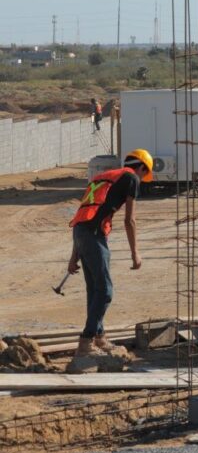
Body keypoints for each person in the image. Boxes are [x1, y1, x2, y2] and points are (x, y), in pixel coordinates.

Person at [67, 149, 152, 357]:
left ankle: (99, 336)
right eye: (145, 173)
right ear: (141, 167)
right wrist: (135, 253)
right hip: (92, 236)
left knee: (94, 289)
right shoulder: (131, 178)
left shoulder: (103, 177)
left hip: (82, 233)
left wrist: (73, 257)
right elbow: (129, 220)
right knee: (105, 291)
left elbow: (84, 215)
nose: (142, 178)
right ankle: (86, 341)